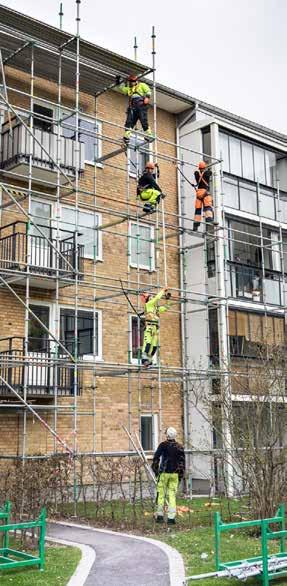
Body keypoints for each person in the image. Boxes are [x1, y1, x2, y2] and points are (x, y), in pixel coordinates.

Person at [152, 427, 185, 525]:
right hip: (175, 474)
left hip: (164, 473)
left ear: (167, 435)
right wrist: (180, 475)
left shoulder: (163, 445)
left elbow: (156, 458)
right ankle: (171, 518)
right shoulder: (179, 447)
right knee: (172, 495)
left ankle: (160, 516)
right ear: (175, 435)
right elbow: (182, 462)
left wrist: (156, 470)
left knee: (161, 494)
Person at [116, 74, 154, 143]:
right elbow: (122, 88)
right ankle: (126, 137)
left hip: (141, 105)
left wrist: (147, 97)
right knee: (129, 122)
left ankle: (149, 135)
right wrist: (118, 81)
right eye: (131, 81)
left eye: (133, 81)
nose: (132, 82)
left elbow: (148, 91)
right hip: (132, 107)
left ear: (136, 81)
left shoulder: (141, 85)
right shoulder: (129, 89)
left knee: (143, 120)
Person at [141, 287, 171, 367]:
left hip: (155, 329)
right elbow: (157, 298)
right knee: (148, 343)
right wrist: (163, 291)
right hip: (150, 327)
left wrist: (168, 299)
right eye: (150, 297)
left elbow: (166, 307)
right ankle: (144, 359)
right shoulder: (148, 304)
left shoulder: (155, 309)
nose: (152, 298)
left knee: (154, 346)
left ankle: (149, 360)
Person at [193, 161, 213, 231]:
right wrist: (209, 169)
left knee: (198, 210)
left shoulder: (196, 174)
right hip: (205, 192)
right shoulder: (207, 173)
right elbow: (210, 172)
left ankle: (195, 225)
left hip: (198, 193)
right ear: (204, 168)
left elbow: (196, 173)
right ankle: (209, 219)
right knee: (207, 206)